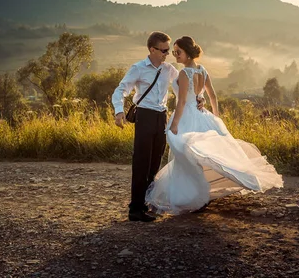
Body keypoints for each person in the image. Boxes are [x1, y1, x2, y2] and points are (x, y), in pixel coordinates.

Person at [145, 36, 284, 215]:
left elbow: (181, 103)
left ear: (187, 53)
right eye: (173, 52)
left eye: (178, 52)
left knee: (186, 157)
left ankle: (192, 196)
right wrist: (215, 117)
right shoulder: (203, 70)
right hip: (202, 115)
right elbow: (212, 96)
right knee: (197, 155)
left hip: (187, 116)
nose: (175, 55)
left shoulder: (184, 73)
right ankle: (198, 194)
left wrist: (175, 124)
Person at [112, 31, 204, 222]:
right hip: (145, 116)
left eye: (168, 50)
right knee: (141, 163)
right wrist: (119, 111)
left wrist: (199, 98)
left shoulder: (169, 69)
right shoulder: (138, 68)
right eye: (163, 50)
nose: (166, 54)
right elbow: (121, 89)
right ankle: (135, 209)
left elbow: (186, 85)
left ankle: (149, 203)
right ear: (152, 49)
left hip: (162, 117)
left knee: (155, 162)